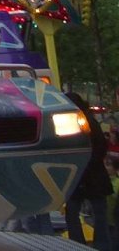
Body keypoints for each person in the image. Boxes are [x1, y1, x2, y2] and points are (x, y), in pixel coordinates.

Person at [65, 92, 112, 250]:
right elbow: (101, 147)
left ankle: (77, 244)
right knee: (99, 213)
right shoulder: (90, 120)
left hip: (83, 173)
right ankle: (101, 245)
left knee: (73, 212)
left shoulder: (78, 122)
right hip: (93, 174)